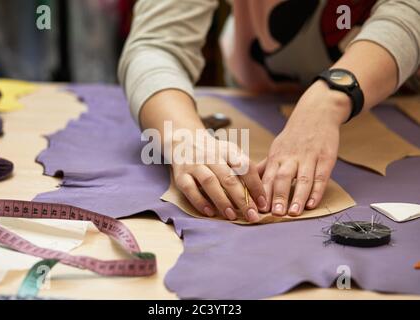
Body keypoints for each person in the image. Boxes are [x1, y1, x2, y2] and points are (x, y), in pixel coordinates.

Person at [119, 0, 420, 222]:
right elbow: (156, 45)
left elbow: (409, 13)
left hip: (398, 101)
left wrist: (330, 99)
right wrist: (183, 137)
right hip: (259, 94)